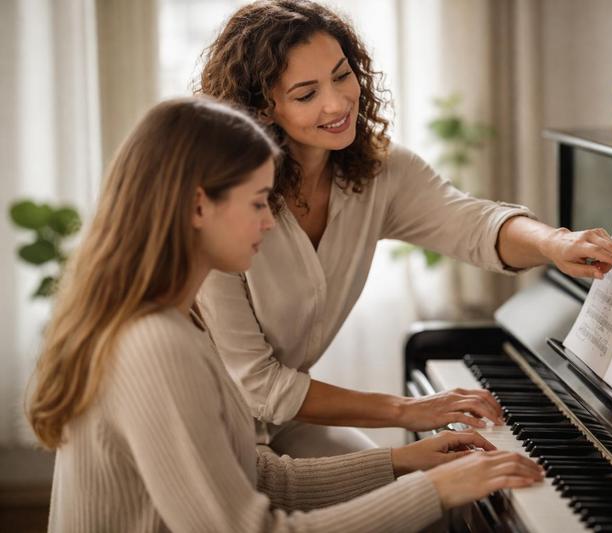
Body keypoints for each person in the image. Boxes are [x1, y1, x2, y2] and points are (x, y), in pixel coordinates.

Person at [26, 97, 544, 532]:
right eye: (258, 202)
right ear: (199, 207)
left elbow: (259, 477)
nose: (271, 222)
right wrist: (433, 490)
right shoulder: (156, 344)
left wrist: (404, 461)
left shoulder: (176, 321)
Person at [197, 0, 612, 457]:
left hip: (281, 422)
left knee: (423, 485)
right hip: (205, 426)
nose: (337, 102)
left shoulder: (379, 171)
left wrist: (555, 242)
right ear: (263, 108)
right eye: (306, 94)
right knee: (410, 483)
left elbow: (471, 223)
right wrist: (407, 410)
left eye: (342, 76)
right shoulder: (222, 203)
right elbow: (258, 384)